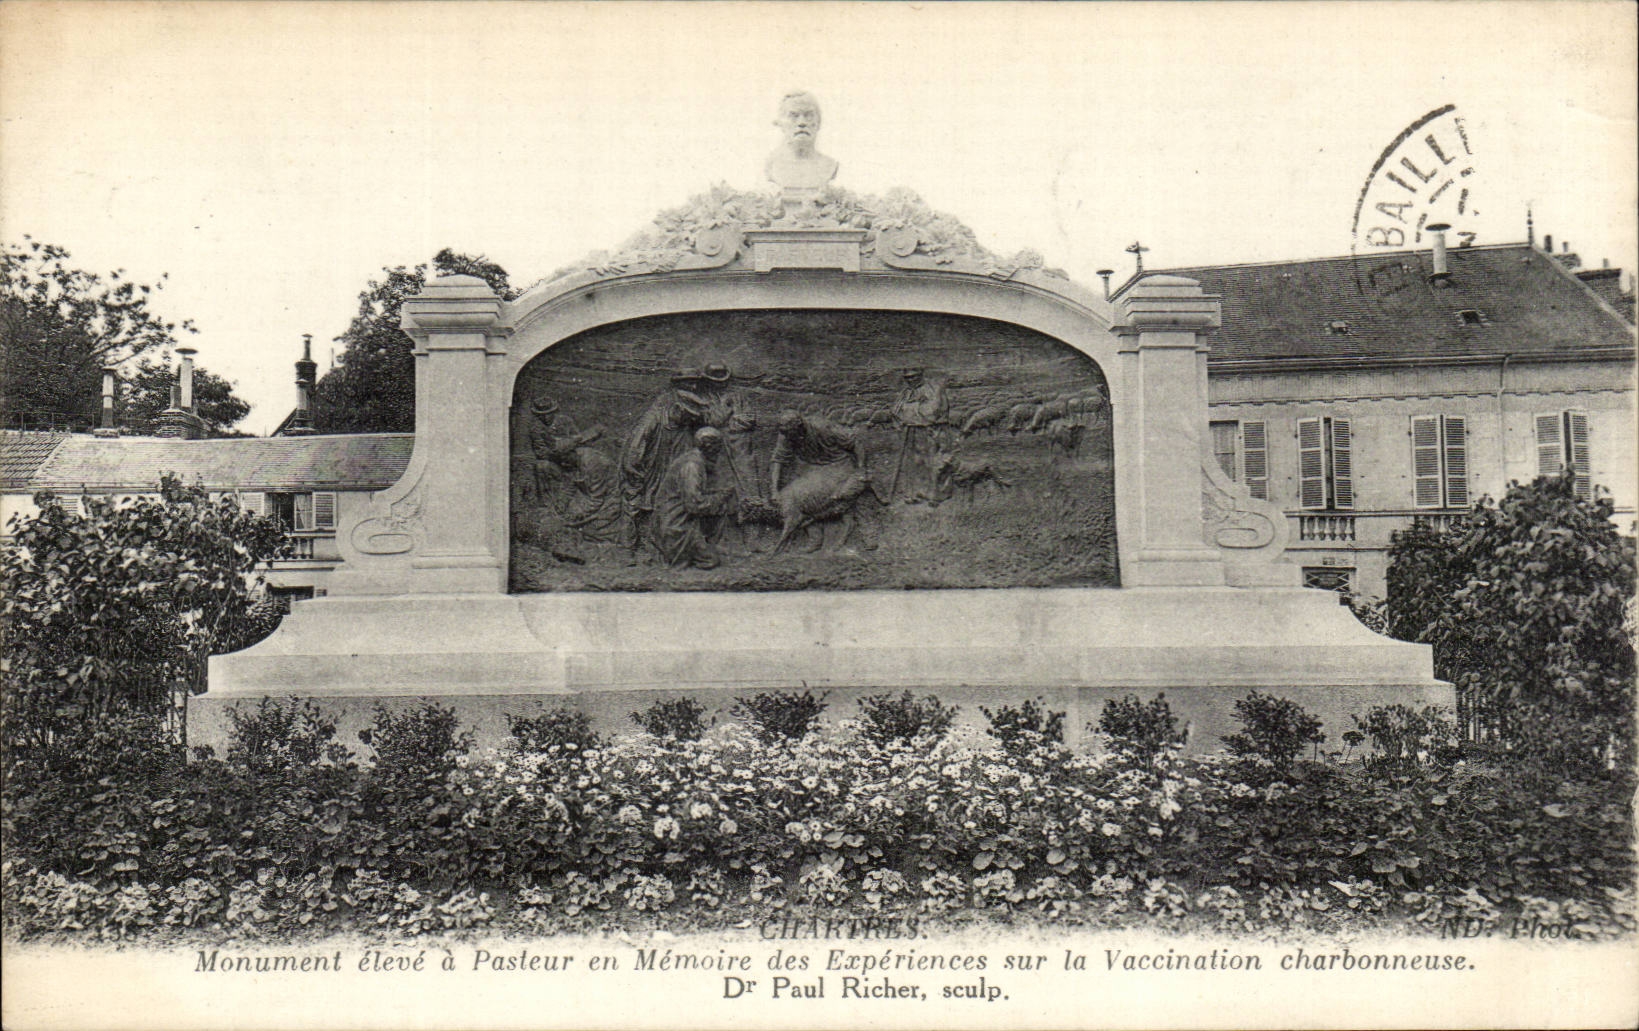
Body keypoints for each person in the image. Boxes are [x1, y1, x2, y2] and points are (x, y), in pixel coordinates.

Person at [653, 427, 735, 570]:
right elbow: (693, 505)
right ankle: (689, 552)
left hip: (682, 519)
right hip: (676, 525)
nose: (721, 449)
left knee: (722, 508)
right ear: (709, 446)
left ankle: (707, 545)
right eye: (718, 445)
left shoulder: (695, 460)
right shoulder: (692, 466)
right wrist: (720, 497)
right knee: (710, 561)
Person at [765, 91, 839, 202]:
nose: (802, 122)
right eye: (793, 116)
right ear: (782, 124)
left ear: (818, 122)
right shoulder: (772, 165)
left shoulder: (829, 165)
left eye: (808, 115)